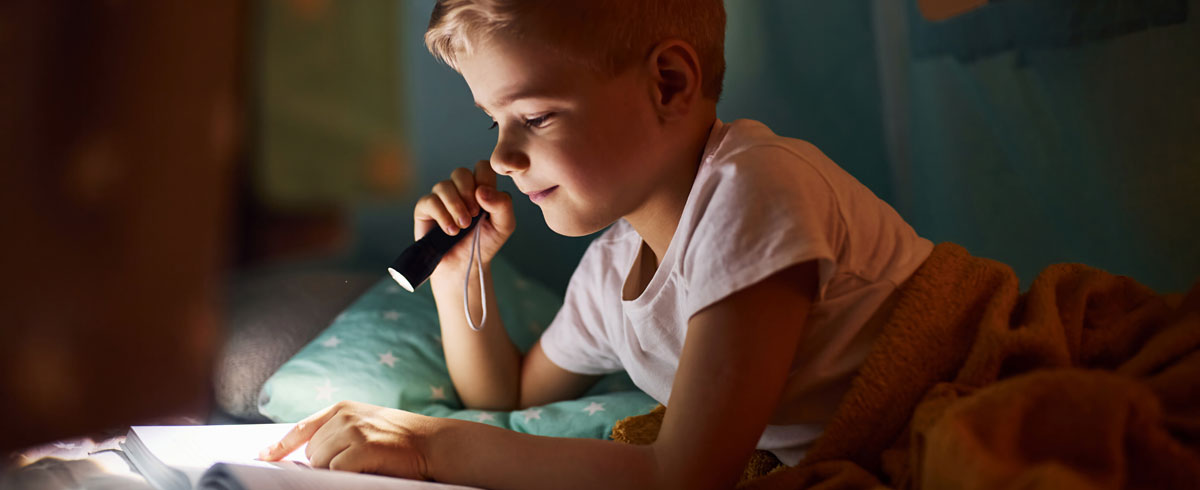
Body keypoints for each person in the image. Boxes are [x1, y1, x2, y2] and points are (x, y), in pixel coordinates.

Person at [260, 1, 932, 488]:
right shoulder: (612, 269)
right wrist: (459, 272)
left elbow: (687, 475)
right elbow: (510, 396)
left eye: (535, 116)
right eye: (495, 122)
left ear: (669, 83)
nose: (502, 159)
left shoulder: (752, 190)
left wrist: (428, 447)